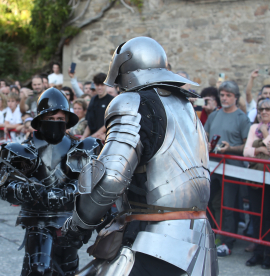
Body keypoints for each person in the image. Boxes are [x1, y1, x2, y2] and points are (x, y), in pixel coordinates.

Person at [62, 37, 218, 275]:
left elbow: (110, 178)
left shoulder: (132, 102)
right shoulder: (186, 105)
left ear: (123, 70)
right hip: (199, 243)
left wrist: (76, 226)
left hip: (154, 240)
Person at [0, 87, 102, 276]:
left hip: (70, 220)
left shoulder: (81, 148)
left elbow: (92, 182)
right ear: (40, 121)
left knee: (67, 270)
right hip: (37, 220)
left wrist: (68, 191)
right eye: (50, 119)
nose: (55, 123)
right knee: (38, 268)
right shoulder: (22, 151)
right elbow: (6, 188)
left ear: (67, 121)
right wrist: (27, 190)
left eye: (60, 120)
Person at [204, 80, 251, 257]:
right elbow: (205, 135)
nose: (224, 98)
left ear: (236, 98)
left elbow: (246, 147)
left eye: (228, 95)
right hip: (212, 167)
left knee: (227, 206)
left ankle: (227, 242)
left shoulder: (242, 118)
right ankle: (209, 236)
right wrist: (207, 144)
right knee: (207, 203)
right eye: (222, 95)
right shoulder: (214, 115)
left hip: (232, 169)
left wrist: (229, 148)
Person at [243, 98, 270, 268]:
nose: (264, 112)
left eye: (268, 109)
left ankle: (268, 254)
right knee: (256, 216)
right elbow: (246, 152)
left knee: (268, 217)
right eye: (261, 109)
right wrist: (260, 150)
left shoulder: (261, 130)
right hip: (255, 177)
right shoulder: (254, 128)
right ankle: (258, 253)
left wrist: (266, 135)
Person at [81, 73, 114, 140]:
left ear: (106, 85)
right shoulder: (93, 99)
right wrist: (84, 137)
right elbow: (90, 123)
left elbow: (110, 122)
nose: (99, 87)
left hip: (106, 138)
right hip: (93, 138)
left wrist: (93, 136)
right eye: (97, 85)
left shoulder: (112, 100)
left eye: (102, 85)